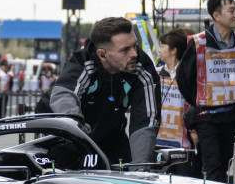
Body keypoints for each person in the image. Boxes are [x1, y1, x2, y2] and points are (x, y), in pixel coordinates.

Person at [48, 17, 161, 166]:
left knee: (135, 170)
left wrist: (140, 169)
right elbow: (64, 97)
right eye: (125, 50)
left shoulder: (141, 65)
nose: (134, 53)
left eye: (135, 46)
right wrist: (79, 132)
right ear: (102, 54)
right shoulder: (82, 63)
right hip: (74, 136)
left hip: (113, 136)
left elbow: (146, 120)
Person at [175, 0, 235, 182]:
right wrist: (197, 102)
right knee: (213, 167)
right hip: (206, 117)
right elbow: (183, 76)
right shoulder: (198, 43)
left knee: (223, 164)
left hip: (231, 116)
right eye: (231, 10)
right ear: (216, 15)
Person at [156, 30, 192, 153]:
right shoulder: (156, 74)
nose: (159, 50)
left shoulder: (189, 75)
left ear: (174, 50)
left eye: (162, 46)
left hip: (183, 142)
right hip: (158, 140)